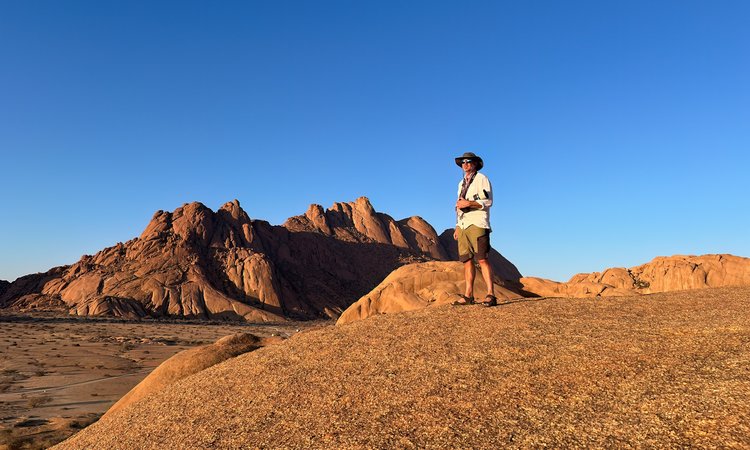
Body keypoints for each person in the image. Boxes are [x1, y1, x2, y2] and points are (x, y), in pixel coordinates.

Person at [452, 151, 497, 307]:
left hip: (478, 223)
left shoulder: (482, 179)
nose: (465, 164)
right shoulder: (461, 183)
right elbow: (459, 204)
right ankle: (468, 295)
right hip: (463, 225)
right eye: (463, 162)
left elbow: (488, 201)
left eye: (468, 162)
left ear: (475, 163)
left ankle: (491, 294)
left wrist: (469, 204)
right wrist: (457, 225)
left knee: (482, 259)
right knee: (467, 261)